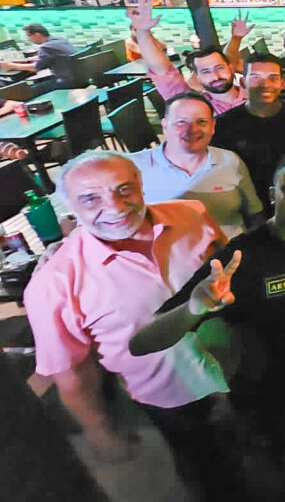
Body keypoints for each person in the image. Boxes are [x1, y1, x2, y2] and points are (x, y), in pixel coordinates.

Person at [130, 150, 285, 499]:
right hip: (273, 397)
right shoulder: (242, 257)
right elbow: (142, 342)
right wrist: (194, 309)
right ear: (272, 194)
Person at [24, 151, 235, 498]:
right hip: (172, 400)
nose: (116, 206)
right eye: (91, 198)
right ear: (70, 208)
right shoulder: (53, 284)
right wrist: (99, 431)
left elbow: (229, 270)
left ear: (140, 184)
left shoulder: (193, 214)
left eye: (124, 189)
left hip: (242, 366)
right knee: (209, 473)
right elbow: (72, 371)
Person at [130, 92, 263, 239]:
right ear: (165, 126)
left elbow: (254, 213)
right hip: (164, 252)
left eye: (201, 121)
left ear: (212, 126)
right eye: (181, 122)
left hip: (230, 249)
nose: (192, 130)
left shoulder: (230, 161)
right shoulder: (133, 166)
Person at [210, 53, 285, 213]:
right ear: (243, 82)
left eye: (273, 78)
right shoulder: (222, 126)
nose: (265, 85)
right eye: (256, 78)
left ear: (282, 83)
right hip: (246, 211)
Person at [129, 0, 246, 114]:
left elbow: (231, 56)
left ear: (231, 68)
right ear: (197, 77)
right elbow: (162, 70)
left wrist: (236, 38)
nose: (216, 76)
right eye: (205, 71)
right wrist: (142, 31)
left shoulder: (254, 96)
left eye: (219, 68)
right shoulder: (191, 104)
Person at [0, 23, 76, 73]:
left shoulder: (46, 47)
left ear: (37, 34)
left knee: (30, 89)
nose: (28, 39)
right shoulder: (59, 40)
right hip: (75, 75)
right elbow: (53, 55)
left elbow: (35, 68)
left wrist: (9, 65)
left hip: (66, 80)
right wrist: (29, 59)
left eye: (29, 36)